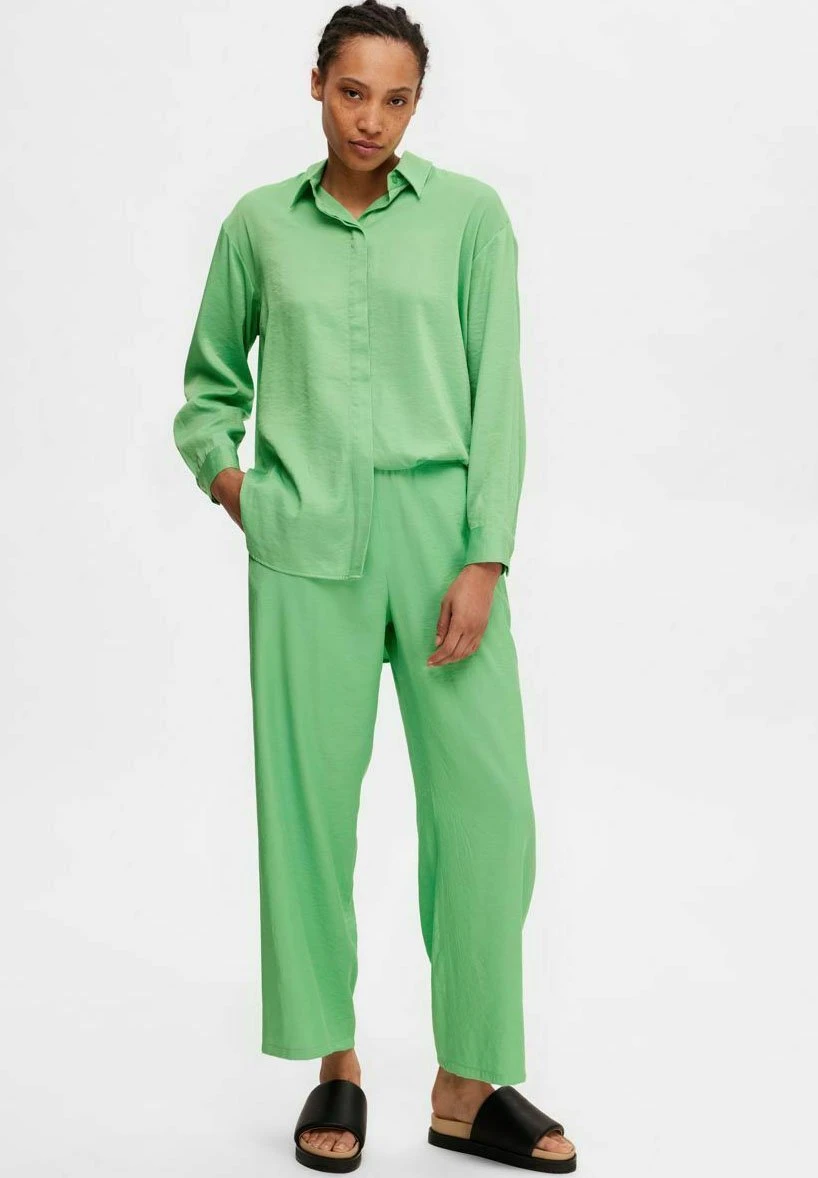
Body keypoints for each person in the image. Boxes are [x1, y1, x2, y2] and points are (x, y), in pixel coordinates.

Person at [173, 1, 577, 1172]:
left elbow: (496, 395)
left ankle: (466, 1085)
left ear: (416, 103)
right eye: (353, 92)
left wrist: (484, 555)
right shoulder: (259, 224)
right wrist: (238, 488)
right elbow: (207, 389)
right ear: (317, 85)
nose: (372, 119)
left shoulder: (468, 217)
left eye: (396, 98)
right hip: (305, 544)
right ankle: (336, 1064)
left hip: (441, 538)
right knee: (307, 809)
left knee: (487, 812)